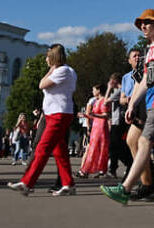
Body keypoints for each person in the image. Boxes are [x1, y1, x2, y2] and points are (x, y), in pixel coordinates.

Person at [102, 9, 154, 205]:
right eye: (141, 24)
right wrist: (132, 104)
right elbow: (147, 79)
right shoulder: (151, 48)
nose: (143, 27)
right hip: (152, 102)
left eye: (148, 22)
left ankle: (125, 188)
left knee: (144, 143)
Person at [8, 43, 77, 196]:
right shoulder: (67, 71)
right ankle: (68, 183)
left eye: (47, 56)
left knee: (42, 148)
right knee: (60, 151)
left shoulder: (63, 71)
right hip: (55, 113)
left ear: (53, 57)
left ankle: (27, 182)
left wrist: (50, 70)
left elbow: (42, 84)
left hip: (58, 114)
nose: (46, 59)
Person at [120, 49, 154, 200]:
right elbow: (138, 84)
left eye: (138, 55)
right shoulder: (132, 73)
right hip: (140, 106)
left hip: (153, 102)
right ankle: (147, 181)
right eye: (133, 56)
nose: (137, 57)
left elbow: (150, 82)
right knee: (133, 141)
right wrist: (131, 106)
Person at [77, 84, 110, 178]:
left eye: (94, 90)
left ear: (99, 90)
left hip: (101, 127)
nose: (93, 92)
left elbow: (105, 115)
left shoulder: (103, 101)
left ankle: (88, 170)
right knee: (92, 148)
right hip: (96, 126)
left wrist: (93, 115)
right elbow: (95, 115)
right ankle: (92, 170)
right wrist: (85, 115)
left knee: (96, 148)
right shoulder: (96, 101)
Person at [105, 72, 132, 178]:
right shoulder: (118, 91)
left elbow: (106, 101)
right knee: (115, 146)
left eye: (111, 80)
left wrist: (108, 88)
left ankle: (127, 163)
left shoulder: (119, 91)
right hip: (116, 120)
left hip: (119, 121)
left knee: (114, 145)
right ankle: (113, 167)